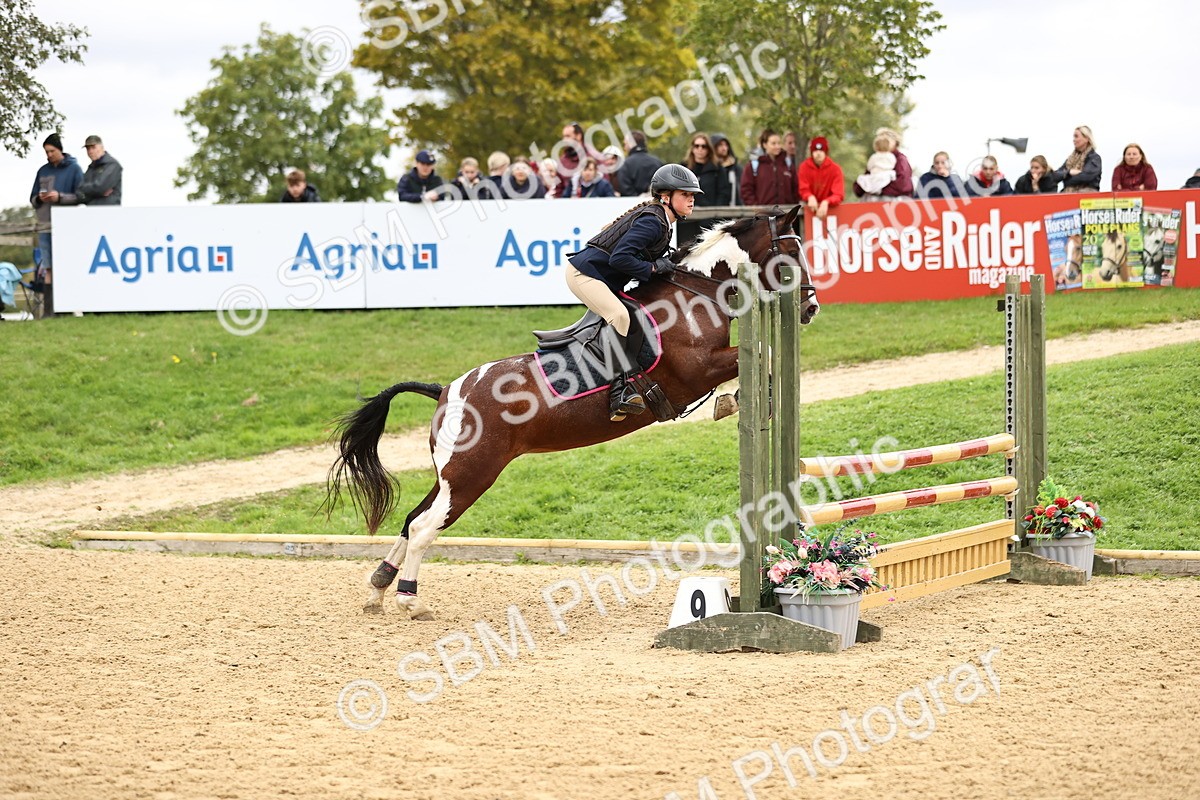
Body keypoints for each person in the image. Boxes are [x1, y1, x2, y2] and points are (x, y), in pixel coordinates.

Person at [566, 164, 701, 421]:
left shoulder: (662, 221)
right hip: (585, 276)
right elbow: (619, 259)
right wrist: (652, 267)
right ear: (665, 196)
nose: (691, 198)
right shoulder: (653, 222)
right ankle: (619, 393)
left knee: (635, 314)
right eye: (685, 194)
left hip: (602, 278)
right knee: (620, 316)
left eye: (692, 194)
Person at [29, 133, 83, 318]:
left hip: (66, 226)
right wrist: (39, 198)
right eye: (46, 151)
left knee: (65, 265)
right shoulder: (42, 171)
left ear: (60, 149)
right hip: (45, 224)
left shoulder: (75, 169)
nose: (49, 154)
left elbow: (81, 196)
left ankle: (65, 310)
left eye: (51, 151)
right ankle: (49, 311)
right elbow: (32, 197)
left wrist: (60, 197)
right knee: (49, 266)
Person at [57, 134, 123, 206]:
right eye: (88, 149)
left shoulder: (112, 165)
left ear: (102, 147)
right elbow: (79, 190)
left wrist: (88, 192)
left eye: (93, 147)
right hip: (91, 212)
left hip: (109, 212)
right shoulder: (91, 167)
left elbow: (100, 187)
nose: (90, 151)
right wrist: (96, 193)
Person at [740, 129, 797, 206]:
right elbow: (746, 190)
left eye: (779, 143)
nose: (777, 146)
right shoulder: (753, 165)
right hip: (762, 215)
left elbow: (795, 189)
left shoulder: (787, 164)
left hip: (785, 215)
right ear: (765, 145)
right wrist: (755, 208)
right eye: (773, 143)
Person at [852, 127, 912, 201]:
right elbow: (863, 182)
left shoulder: (900, 159)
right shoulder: (875, 159)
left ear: (895, 142)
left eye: (886, 139)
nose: (883, 141)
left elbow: (902, 185)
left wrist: (877, 188)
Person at [796, 136, 844, 220]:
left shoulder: (835, 169)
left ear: (826, 152)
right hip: (808, 212)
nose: (818, 153)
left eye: (821, 150)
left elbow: (838, 194)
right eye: (815, 150)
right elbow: (803, 189)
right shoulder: (804, 167)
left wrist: (826, 202)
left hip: (831, 212)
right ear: (811, 152)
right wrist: (809, 196)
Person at [1050, 126, 1101, 193]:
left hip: (1086, 195)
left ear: (1086, 138)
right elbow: (1055, 176)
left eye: (1076, 136)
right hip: (1068, 193)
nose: (1073, 140)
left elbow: (1086, 177)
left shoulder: (1094, 158)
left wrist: (1066, 180)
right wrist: (1069, 172)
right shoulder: (1070, 159)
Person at [616, 130, 663, 196]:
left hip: (633, 204)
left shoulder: (626, 164)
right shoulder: (657, 162)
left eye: (625, 144)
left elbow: (625, 191)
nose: (624, 147)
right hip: (657, 203)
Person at [682, 133, 724, 206]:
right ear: (692, 148)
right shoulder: (683, 168)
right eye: (696, 146)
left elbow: (723, 192)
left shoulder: (717, 168)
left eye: (703, 146)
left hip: (711, 212)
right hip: (687, 212)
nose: (700, 149)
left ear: (708, 149)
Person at [855, 133, 898, 199]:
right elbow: (893, 165)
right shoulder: (891, 156)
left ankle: (875, 191)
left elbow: (869, 166)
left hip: (876, 175)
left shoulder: (874, 156)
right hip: (887, 176)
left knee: (863, 179)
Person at [710, 133, 740, 205]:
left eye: (726, 145)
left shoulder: (735, 169)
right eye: (720, 145)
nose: (724, 148)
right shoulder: (709, 169)